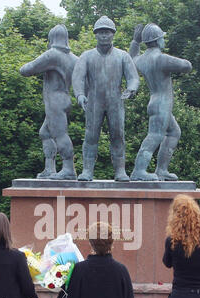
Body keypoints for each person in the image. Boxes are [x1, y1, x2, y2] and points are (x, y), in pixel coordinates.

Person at [72, 16, 140, 181]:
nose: (104, 35)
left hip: (115, 101)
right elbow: (77, 77)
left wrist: (131, 89)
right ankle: (87, 171)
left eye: (107, 32)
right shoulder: (86, 56)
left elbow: (133, 77)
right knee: (91, 136)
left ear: (113, 34)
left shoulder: (123, 56)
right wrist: (80, 94)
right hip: (94, 101)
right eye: (101, 32)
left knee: (118, 135)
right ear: (95, 34)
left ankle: (120, 171)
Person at [129, 24, 192, 181]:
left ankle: (162, 170)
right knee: (155, 135)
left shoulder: (142, 60)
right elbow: (187, 66)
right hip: (162, 104)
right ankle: (139, 170)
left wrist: (135, 42)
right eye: (162, 38)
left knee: (174, 132)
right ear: (157, 41)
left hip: (155, 102)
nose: (164, 41)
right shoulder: (161, 58)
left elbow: (132, 58)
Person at [20, 24, 78, 180]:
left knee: (60, 134)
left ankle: (68, 168)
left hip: (54, 100)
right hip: (65, 98)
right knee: (45, 132)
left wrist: (23, 66)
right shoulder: (74, 58)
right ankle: (49, 168)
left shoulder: (52, 54)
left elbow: (27, 69)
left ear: (51, 38)